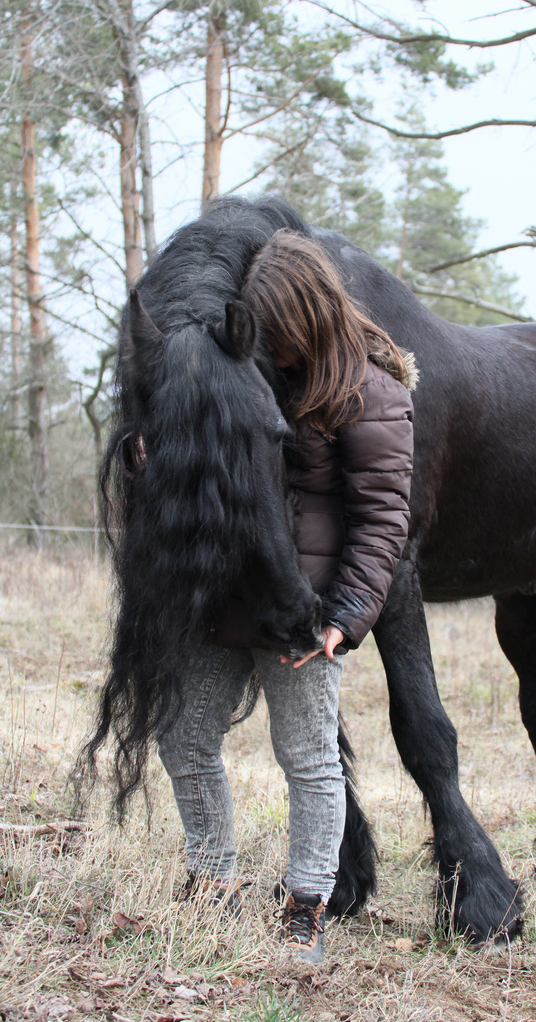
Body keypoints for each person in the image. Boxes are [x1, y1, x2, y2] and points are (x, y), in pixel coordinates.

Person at [156, 231, 416, 965]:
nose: (268, 346)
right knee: (183, 733)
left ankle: (306, 906)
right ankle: (213, 881)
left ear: (309, 315)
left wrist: (344, 618)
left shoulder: (374, 395)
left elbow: (383, 522)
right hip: (230, 597)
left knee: (307, 759)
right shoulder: (256, 372)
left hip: (306, 614)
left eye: (279, 332)